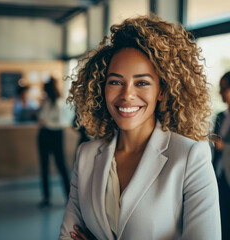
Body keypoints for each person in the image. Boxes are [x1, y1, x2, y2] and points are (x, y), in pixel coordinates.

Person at [59, 15, 221, 240]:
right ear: (101, 88)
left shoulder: (190, 157)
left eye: (142, 83)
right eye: (115, 82)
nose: (127, 95)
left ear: (162, 91)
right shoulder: (86, 155)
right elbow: (68, 235)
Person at [38, 77, 70, 207]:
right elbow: (41, 117)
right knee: (44, 166)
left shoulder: (59, 102)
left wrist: (47, 123)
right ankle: (46, 197)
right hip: (44, 135)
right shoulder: (46, 102)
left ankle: (69, 197)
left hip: (55, 134)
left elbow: (61, 123)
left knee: (61, 165)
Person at [212, 72, 230, 240]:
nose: (221, 93)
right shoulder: (220, 116)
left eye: (224, 89)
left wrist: (225, 147)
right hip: (219, 176)